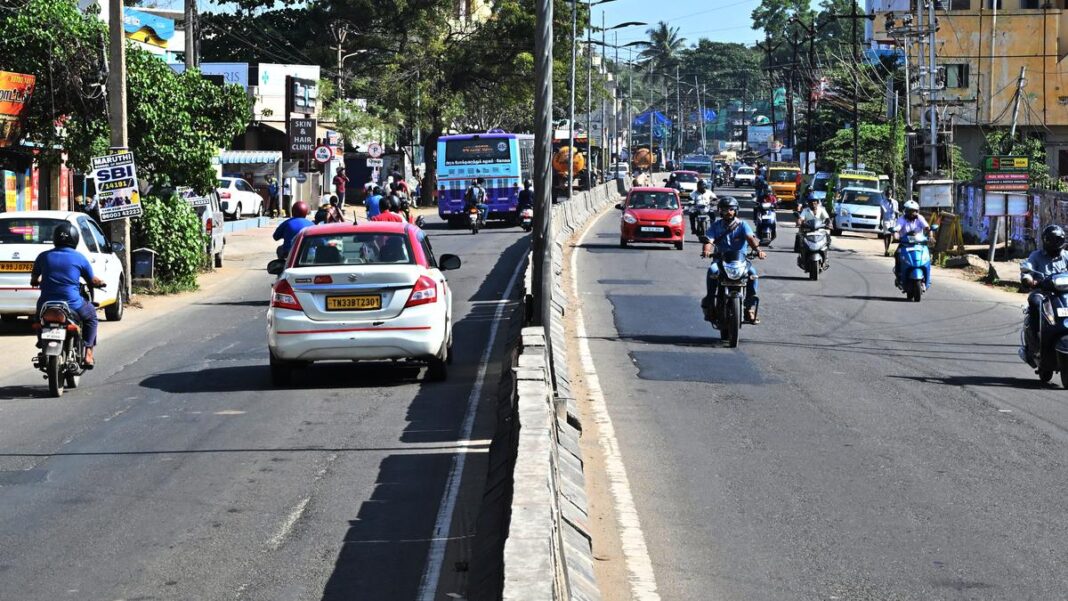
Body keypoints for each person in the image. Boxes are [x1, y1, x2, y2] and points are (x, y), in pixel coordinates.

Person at [30, 222, 105, 367]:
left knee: (38, 319)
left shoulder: (43, 256)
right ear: (75, 239)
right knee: (91, 317)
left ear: (55, 238)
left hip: (46, 304)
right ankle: (88, 354)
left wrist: (37, 281)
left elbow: (34, 279)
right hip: (73, 304)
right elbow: (92, 280)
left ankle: (41, 341)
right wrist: (100, 283)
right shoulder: (80, 258)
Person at [700, 197, 766, 324]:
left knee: (753, 274)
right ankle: (710, 302)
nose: (728, 212)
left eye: (731, 209)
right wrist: (706, 250)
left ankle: (749, 307)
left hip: (741, 261)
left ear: (736, 210)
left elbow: (750, 238)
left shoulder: (742, 225)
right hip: (721, 260)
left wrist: (758, 251)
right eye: (725, 209)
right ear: (720, 211)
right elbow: (709, 240)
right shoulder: (715, 226)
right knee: (712, 270)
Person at [1021, 225, 1068, 355]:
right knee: (1035, 303)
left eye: (1057, 240)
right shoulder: (1036, 256)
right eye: (1051, 240)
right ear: (1045, 241)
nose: (1054, 243)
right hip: (1043, 293)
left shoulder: (1066, 256)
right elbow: (1027, 270)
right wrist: (1029, 280)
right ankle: (1036, 338)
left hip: (1064, 294)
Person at [891, 200, 932, 288]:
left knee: (928, 256)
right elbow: (897, 228)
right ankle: (899, 275)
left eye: (914, 211)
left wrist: (931, 236)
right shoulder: (901, 219)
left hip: (919, 244)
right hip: (905, 244)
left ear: (917, 211)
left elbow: (927, 227)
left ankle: (927, 277)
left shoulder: (920, 218)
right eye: (909, 211)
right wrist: (895, 235)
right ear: (905, 211)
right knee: (897, 254)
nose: (911, 213)